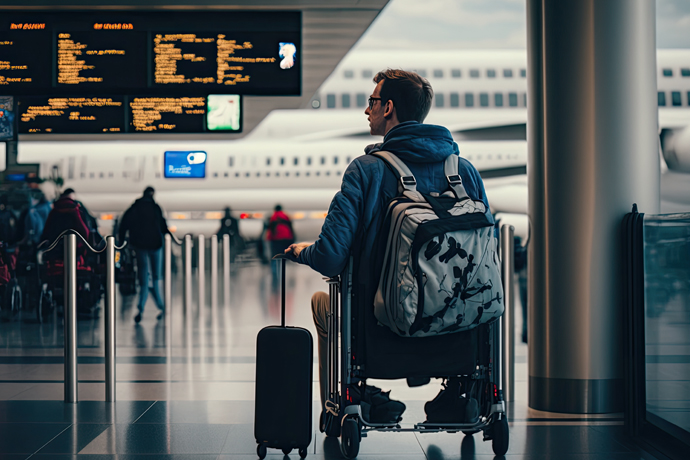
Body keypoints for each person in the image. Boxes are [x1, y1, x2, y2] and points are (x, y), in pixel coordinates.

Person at [285, 69, 494, 423]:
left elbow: (331, 257)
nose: (367, 111)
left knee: (324, 305)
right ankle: (458, 395)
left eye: (372, 102)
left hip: (381, 331)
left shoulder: (366, 171)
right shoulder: (466, 173)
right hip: (460, 330)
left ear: (389, 108)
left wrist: (300, 251)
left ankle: (356, 395)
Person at [118, 186, 169, 324]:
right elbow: (164, 227)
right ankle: (161, 307)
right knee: (156, 278)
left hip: (140, 247)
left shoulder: (134, 208)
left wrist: (121, 243)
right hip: (156, 246)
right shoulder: (156, 207)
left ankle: (141, 308)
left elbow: (123, 225)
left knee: (144, 279)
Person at [266, 205, 295, 283]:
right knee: (284, 254)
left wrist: (270, 238)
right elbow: (290, 226)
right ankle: (285, 272)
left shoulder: (273, 216)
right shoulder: (285, 216)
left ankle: (275, 274)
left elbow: (271, 228)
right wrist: (292, 237)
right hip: (286, 237)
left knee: (275, 255)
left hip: (276, 239)